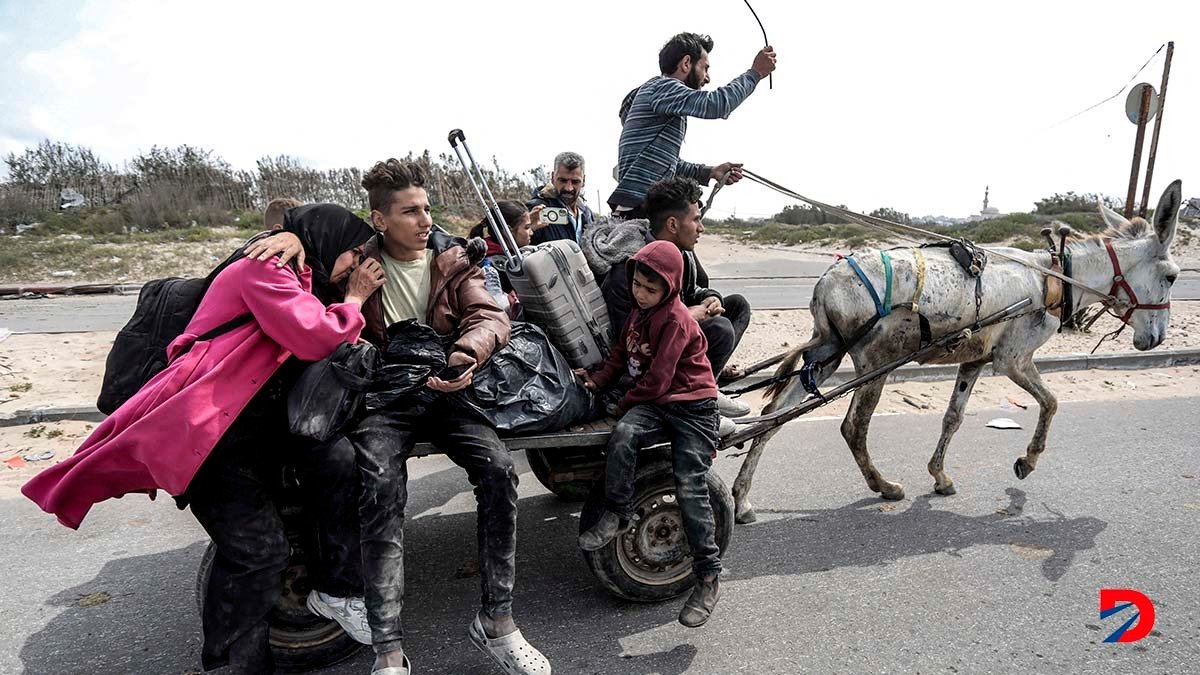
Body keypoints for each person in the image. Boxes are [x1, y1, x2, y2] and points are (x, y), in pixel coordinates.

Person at [22, 205, 386, 674]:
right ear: (326, 240)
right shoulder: (265, 267)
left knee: (332, 465)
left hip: (247, 428)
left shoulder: (300, 273)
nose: (355, 263)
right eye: (352, 252)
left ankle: (336, 591)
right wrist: (354, 299)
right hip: (210, 432)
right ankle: (229, 666)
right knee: (257, 555)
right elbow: (317, 338)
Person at [347, 159, 550, 675]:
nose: (424, 221)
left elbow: (489, 313)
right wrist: (353, 296)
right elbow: (334, 331)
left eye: (427, 209)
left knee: (499, 472)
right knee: (380, 493)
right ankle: (388, 652)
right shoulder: (355, 267)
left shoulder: (452, 259)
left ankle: (497, 623)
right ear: (379, 219)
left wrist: (468, 354)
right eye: (409, 212)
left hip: (447, 383)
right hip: (385, 396)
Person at [574, 240, 724, 628]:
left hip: (692, 406)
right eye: (637, 284)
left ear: (670, 288)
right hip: (658, 402)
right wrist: (596, 382)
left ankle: (707, 576)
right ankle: (619, 513)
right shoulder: (637, 316)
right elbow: (620, 358)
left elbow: (657, 380)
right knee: (623, 435)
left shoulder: (675, 320)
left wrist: (621, 401)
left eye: (650, 289)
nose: (641, 293)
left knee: (690, 485)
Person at [601, 177, 752, 421]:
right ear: (673, 224)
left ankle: (707, 384)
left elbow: (695, 290)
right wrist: (687, 316)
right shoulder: (633, 267)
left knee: (736, 305)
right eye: (696, 219)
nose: (701, 228)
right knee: (721, 328)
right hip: (645, 355)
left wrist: (709, 299)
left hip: (674, 336)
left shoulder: (682, 255)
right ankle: (701, 404)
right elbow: (628, 333)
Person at [607, 32, 777, 217]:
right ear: (686, 63)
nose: (707, 78)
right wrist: (755, 73)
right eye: (705, 68)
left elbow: (670, 165)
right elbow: (717, 104)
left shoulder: (660, 98)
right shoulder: (663, 88)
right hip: (640, 207)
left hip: (641, 206)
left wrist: (710, 172)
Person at [468, 200, 533, 320]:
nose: (532, 232)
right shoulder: (494, 266)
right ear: (508, 231)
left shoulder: (493, 250)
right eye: (527, 228)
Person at [526, 151, 594, 244]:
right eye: (563, 180)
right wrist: (527, 228)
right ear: (553, 178)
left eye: (575, 182)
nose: (568, 188)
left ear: (584, 181)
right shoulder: (538, 211)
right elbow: (516, 249)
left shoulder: (587, 214)